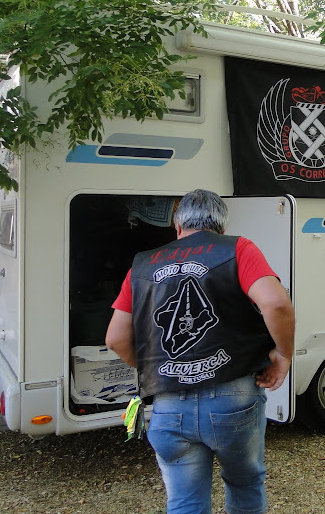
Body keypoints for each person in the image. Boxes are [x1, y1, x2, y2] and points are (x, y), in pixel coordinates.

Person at [106, 189, 295, 514]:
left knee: (185, 503)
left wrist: (156, 367)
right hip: (232, 400)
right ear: (222, 226)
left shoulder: (142, 264)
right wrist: (283, 355)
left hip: (168, 406)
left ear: (177, 226)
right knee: (244, 486)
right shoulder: (237, 248)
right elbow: (276, 303)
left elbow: (115, 338)